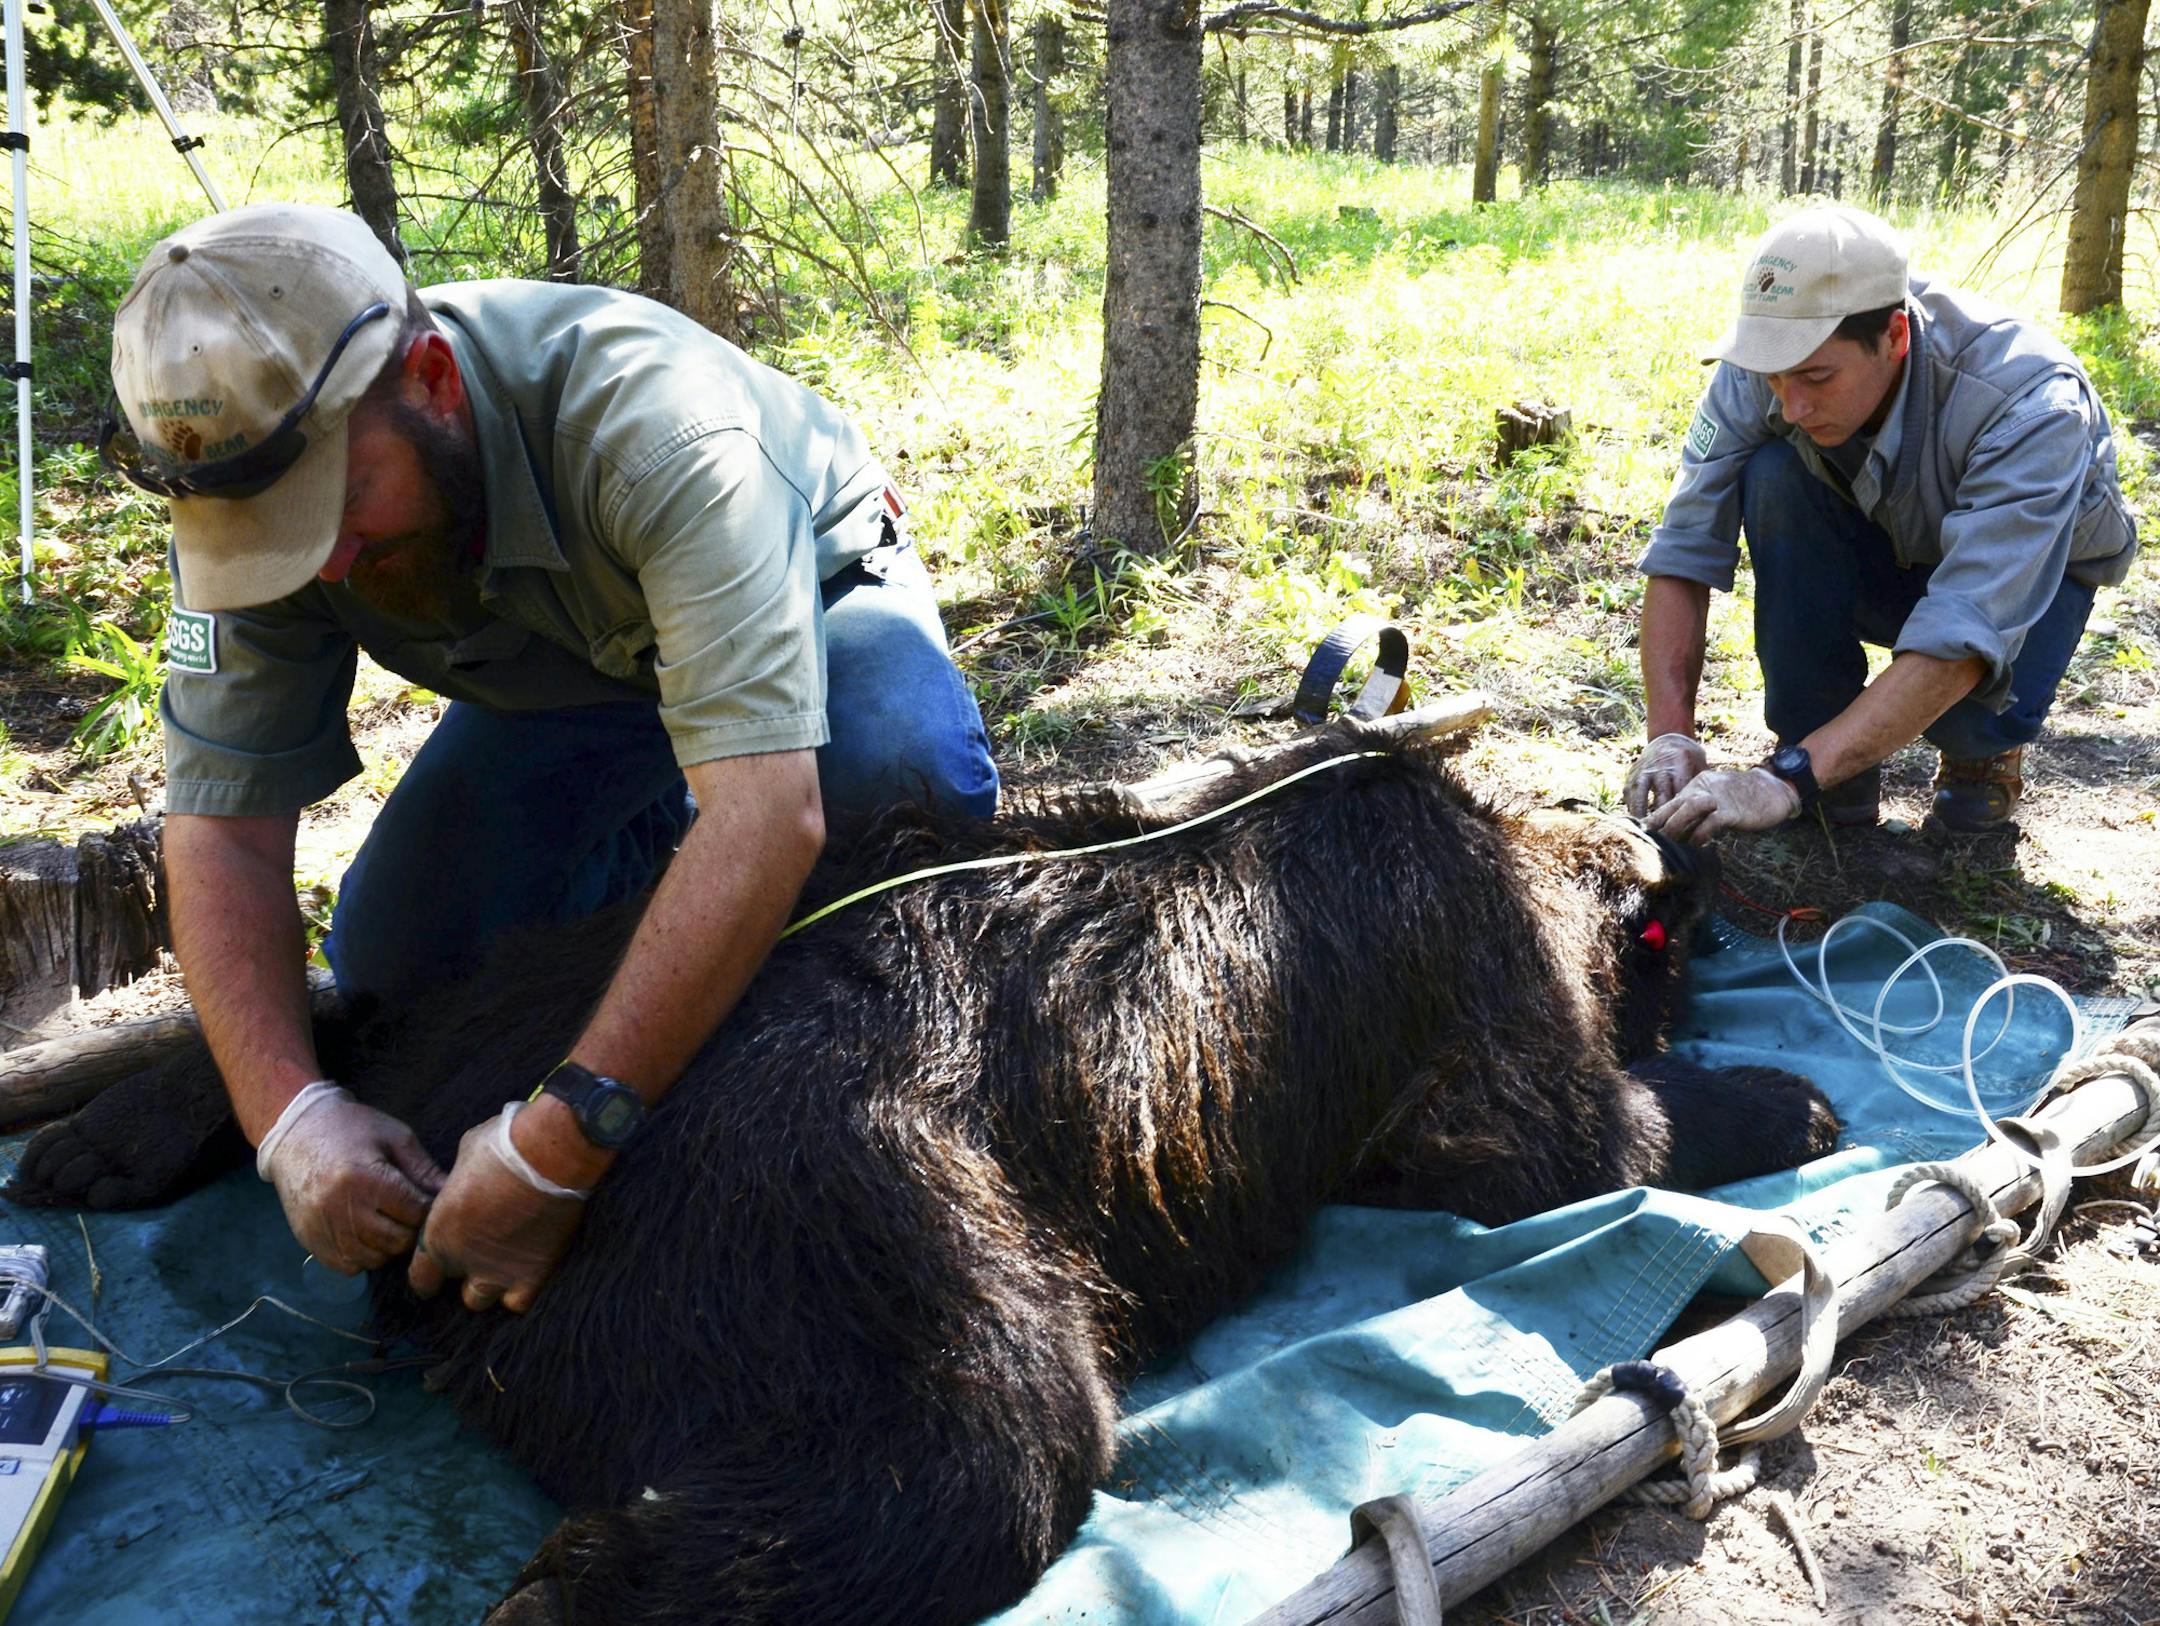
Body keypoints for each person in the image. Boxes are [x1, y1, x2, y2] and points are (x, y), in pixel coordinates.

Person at [103, 203, 999, 1314]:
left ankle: (696, 897)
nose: (319, 561)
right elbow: (222, 831)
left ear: (431, 379)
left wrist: (561, 1147)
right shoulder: (255, 513)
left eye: (331, 504)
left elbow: (772, 811)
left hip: (807, 602)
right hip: (564, 681)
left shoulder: (664, 432)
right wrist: (288, 1118)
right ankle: (674, 885)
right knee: (397, 962)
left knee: (899, 809)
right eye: (261, 530)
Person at [1624, 204, 2137, 845]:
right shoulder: (1769, 361)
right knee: (1774, 475)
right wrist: (1670, 735)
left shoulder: (2029, 403)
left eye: (1816, 377)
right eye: (1775, 377)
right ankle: (1823, 751)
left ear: (1895, 336)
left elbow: (1967, 626)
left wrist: (1783, 781)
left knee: (1970, 718)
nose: (1792, 401)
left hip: (2022, 587)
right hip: (1879, 544)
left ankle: (1980, 755)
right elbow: (1682, 548)